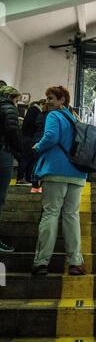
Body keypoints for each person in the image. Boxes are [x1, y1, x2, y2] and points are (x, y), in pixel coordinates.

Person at [32, 86, 87, 276]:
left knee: (51, 213)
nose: (48, 101)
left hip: (55, 171)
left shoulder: (53, 116)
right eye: (47, 98)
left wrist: (38, 146)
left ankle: (42, 262)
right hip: (78, 173)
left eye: (52, 98)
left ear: (62, 100)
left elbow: (51, 137)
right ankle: (75, 262)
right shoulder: (75, 118)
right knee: (71, 216)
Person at [0, 86, 22, 253]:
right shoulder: (9, 108)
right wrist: (20, 152)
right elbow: (13, 131)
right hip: (3, 152)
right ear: (12, 97)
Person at [17, 99, 46, 186]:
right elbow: (35, 124)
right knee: (26, 158)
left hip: (27, 137)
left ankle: (26, 178)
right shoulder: (35, 110)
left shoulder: (32, 110)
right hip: (28, 138)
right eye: (45, 106)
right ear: (41, 104)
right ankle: (21, 178)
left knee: (29, 159)